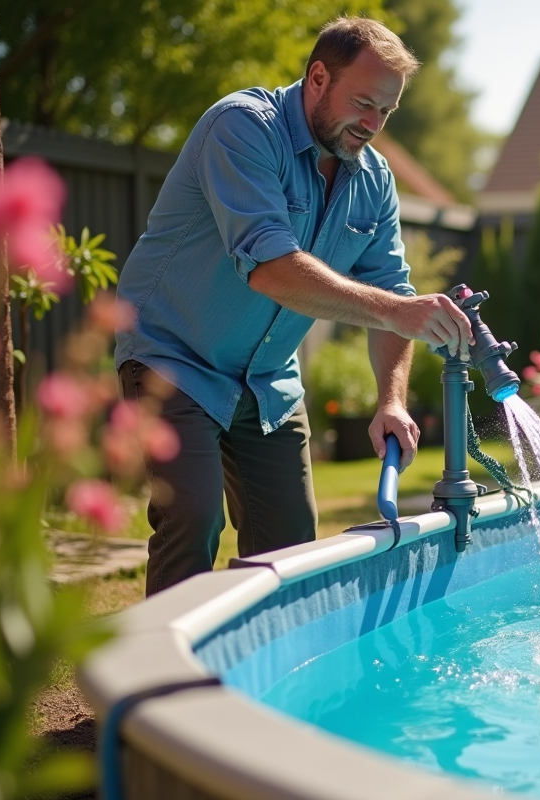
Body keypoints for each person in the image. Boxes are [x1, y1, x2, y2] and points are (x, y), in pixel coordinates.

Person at [114, 17, 472, 596]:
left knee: (292, 550)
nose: (373, 124)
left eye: (386, 111)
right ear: (317, 77)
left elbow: (392, 289)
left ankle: (264, 681)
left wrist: (391, 400)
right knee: (194, 518)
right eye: (362, 103)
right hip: (173, 358)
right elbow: (272, 268)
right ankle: (164, 683)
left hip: (269, 381)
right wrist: (393, 311)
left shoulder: (373, 180)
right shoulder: (241, 129)